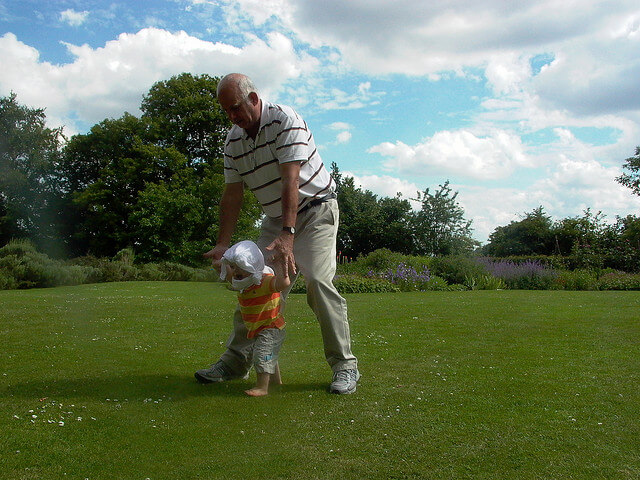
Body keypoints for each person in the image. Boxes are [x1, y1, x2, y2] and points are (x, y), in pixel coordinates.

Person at [195, 73, 360, 394]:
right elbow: (232, 195)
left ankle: (345, 366)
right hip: (275, 217)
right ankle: (235, 362)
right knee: (253, 283)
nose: (232, 116)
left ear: (254, 99)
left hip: (316, 210)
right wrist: (222, 243)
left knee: (317, 282)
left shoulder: (285, 120)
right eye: (226, 111)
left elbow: (291, 179)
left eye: (236, 108)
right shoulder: (233, 141)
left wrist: (288, 233)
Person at [213, 240, 289, 397]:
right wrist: (218, 261)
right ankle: (275, 382)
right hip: (259, 327)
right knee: (268, 354)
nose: (235, 272)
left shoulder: (264, 280)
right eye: (233, 267)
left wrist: (282, 264)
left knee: (262, 354)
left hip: (271, 326)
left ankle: (262, 387)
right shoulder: (243, 283)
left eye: (240, 268)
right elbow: (228, 275)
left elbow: (283, 283)